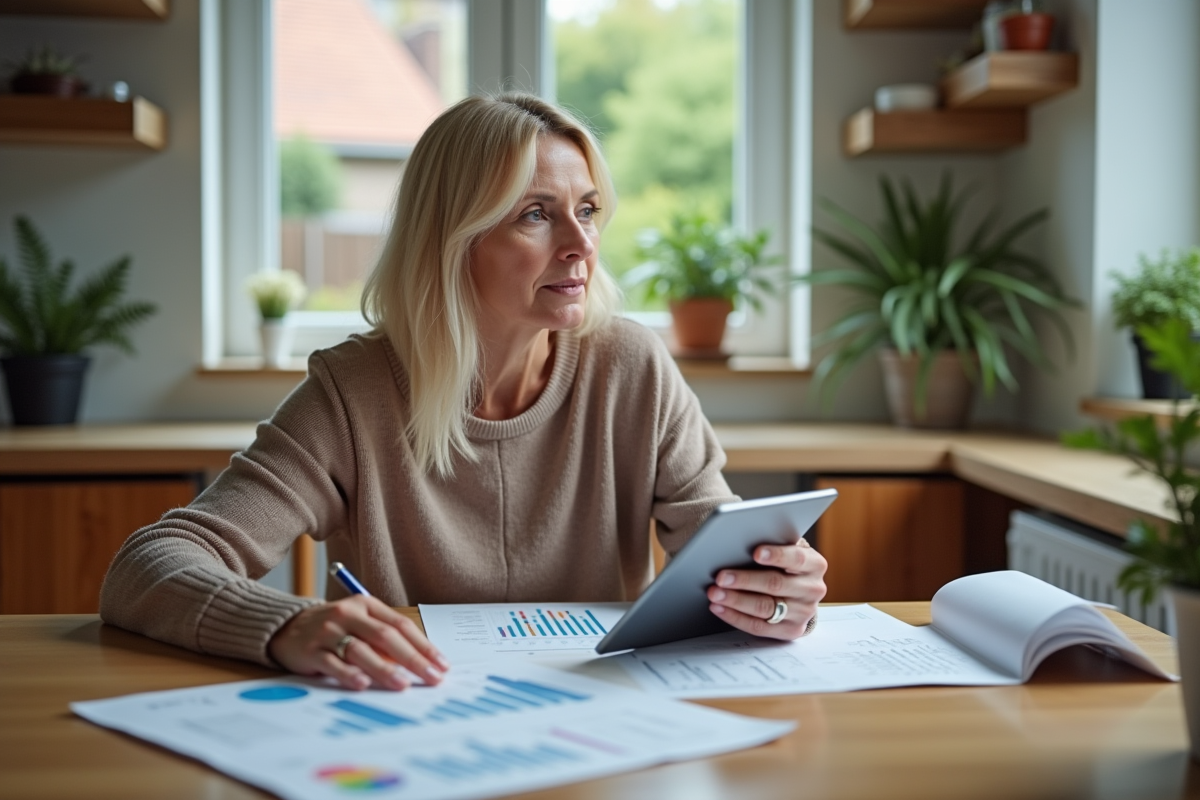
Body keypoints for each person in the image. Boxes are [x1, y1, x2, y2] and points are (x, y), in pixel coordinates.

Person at [100, 93, 827, 692]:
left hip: (601, 723)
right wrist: (283, 625)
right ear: (453, 239)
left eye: (589, 209)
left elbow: (726, 551)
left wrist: (773, 592)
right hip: (408, 724)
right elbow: (150, 565)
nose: (581, 244)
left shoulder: (630, 366)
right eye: (536, 214)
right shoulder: (353, 392)